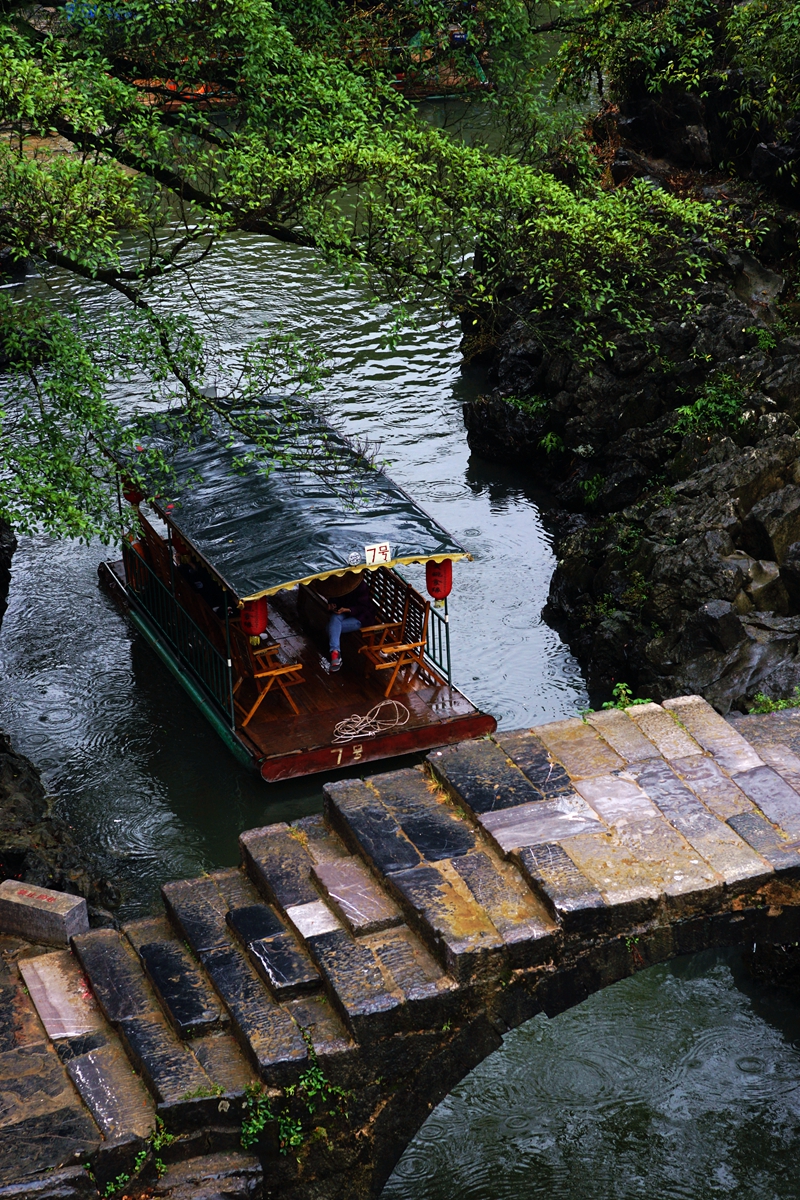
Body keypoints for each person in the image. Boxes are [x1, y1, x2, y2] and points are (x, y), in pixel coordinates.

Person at [327, 577, 378, 671]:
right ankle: (335, 652)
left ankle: (335, 654)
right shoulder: (341, 583)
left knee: (332, 628)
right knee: (334, 620)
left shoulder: (361, 586)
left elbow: (363, 607)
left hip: (361, 617)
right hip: (344, 612)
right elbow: (335, 596)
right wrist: (332, 604)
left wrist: (348, 609)